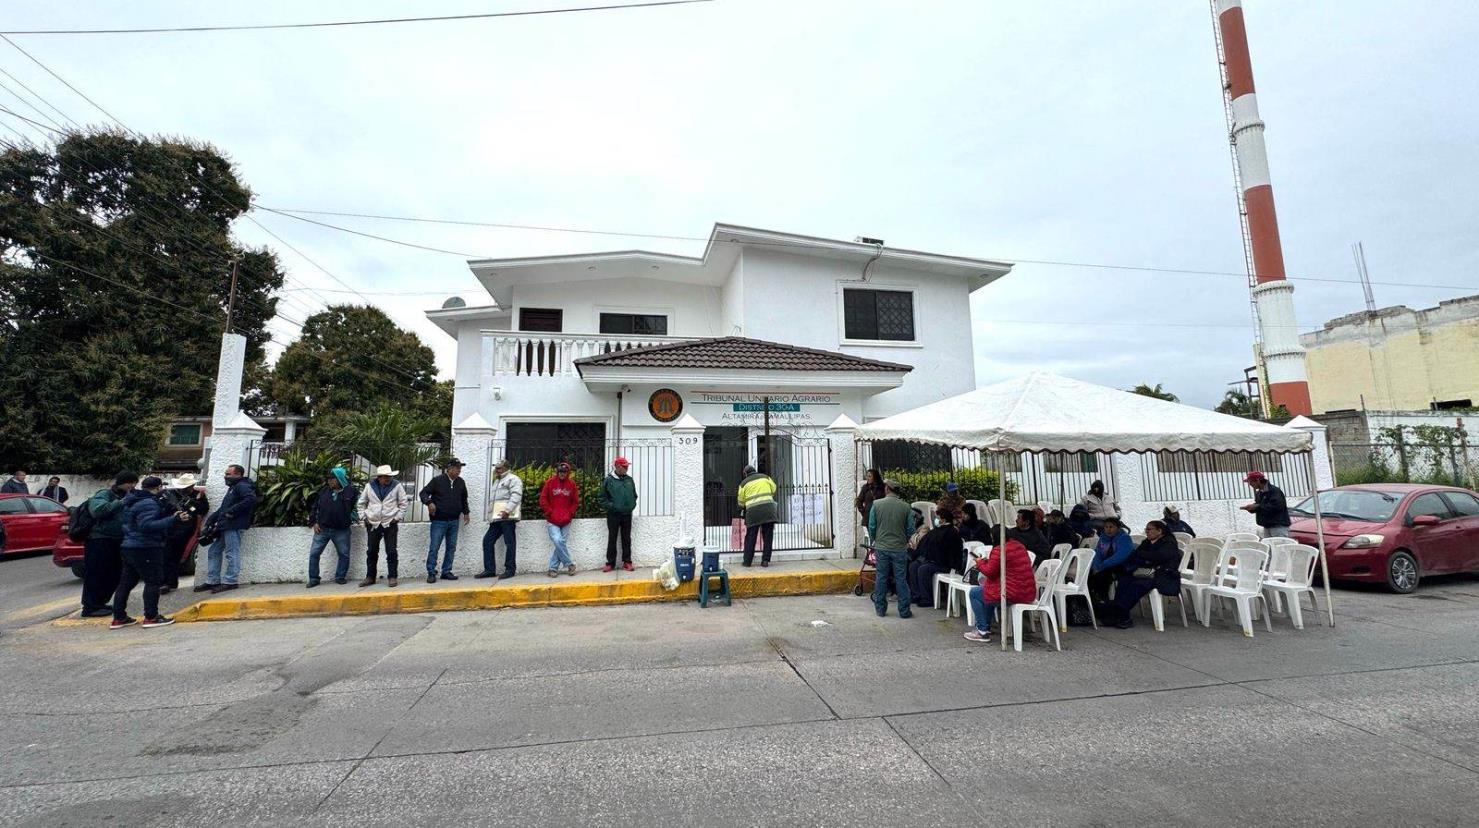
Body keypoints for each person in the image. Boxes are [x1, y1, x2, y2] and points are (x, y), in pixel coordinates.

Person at [112, 476, 189, 629]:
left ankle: (119, 618)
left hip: (129, 545)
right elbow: (147, 526)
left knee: (126, 583)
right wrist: (174, 520)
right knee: (153, 581)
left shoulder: (132, 500)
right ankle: (151, 617)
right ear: (158, 487)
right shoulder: (148, 503)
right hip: (146, 547)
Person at [1103, 520, 1183, 629]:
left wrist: (1144, 557)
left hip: (1163, 575)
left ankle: (1121, 613)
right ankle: (1121, 614)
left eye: (1149, 529)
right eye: (1146, 529)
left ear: (1159, 531)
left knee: (1137, 585)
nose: (1147, 532)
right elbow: (1137, 555)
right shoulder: (1147, 542)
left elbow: (1159, 556)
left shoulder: (1169, 542)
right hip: (1145, 572)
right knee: (1124, 580)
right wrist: (1145, 558)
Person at [79, 472, 137, 617]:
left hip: (117, 540)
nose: (133, 486)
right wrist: (122, 502)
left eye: (134, 483)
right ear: (122, 482)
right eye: (130, 483)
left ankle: (100, 602)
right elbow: (98, 511)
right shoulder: (105, 494)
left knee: (115, 573)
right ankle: (90, 607)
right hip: (99, 540)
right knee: (97, 573)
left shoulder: (126, 496)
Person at [963, 538, 1037, 643]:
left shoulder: (1000, 549)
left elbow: (990, 572)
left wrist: (979, 562)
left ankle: (982, 631)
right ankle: (986, 627)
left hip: (1011, 593)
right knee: (987, 591)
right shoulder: (1019, 546)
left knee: (975, 593)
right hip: (1027, 592)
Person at [199, 464, 256, 595]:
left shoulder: (242, 486)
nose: (225, 476)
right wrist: (211, 520)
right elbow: (224, 508)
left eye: (228, 474)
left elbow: (251, 499)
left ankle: (231, 581)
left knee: (232, 553)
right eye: (225, 474)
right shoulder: (233, 488)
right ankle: (213, 580)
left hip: (234, 525)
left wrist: (232, 512)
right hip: (226, 525)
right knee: (214, 551)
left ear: (238, 475)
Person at [867, 479, 915, 618]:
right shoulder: (906, 507)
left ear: (887, 488)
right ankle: (904, 611)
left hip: (882, 547)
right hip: (899, 548)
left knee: (881, 577)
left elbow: (872, 526)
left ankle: (880, 609)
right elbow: (911, 528)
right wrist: (904, 540)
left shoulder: (877, 504)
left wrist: (875, 539)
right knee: (901, 579)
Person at [419, 459, 469, 583]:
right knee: (434, 547)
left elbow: (464, 499)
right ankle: (431, 572)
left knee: (451, 547)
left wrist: (466, 512)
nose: (459, 471)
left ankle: (446, 571)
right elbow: (423, 493)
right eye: (457, 468)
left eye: (459, 468)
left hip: (454, 520)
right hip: (439, 521)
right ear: (449, 468)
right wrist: (429, 502)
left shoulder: (461, 482)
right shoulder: (437, 481)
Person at [307, 467, 358, 588]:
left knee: (344, 554)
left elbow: (357, 506)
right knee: (314, 553)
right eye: (329, 479)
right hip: (322, 529)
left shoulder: (351, 491)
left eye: (332, 479)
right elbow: (315, 507)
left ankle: (340, 577)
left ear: (340, 479)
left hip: (342, 530)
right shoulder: (324, 491)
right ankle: (314, 578)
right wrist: (314, 522)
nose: (329, 481)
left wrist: (352, 517)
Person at [359, 465, 407, 588]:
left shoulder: (396, 485)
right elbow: (361, 503)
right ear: (379, 477)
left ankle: (392, 577)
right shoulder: (369, 486)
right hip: (373, 523)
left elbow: (403, 503)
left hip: (390, 523)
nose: (388, 479)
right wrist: (364, 517)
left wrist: (396, 518)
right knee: (371, 551)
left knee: (391, 551)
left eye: (389, 476)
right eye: (385, 477)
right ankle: (370, 577)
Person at [160, 474, 208, 594]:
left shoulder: (197, 495)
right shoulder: (170, 495)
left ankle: (171, 582)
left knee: (176, 556)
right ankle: (166, 582)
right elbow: (163, 510)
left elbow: (203, 509)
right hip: (170, 527)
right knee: (166, 556)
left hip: (185, 530)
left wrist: (194, 503)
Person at [909, 506, 964, 608]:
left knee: (923, 569)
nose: (936, 520)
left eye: (937, 517)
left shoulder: (952, 532)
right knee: (913, 566)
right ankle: (916, 595)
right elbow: (924, 545)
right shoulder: (936, 531)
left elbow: (949, 552)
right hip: (930, 560)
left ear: (943, 519)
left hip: (944, 563)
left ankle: (927, 598)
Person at [479, 460, 523, 579]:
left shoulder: (513, 479)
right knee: (487, 541)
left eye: (499, 468)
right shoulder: (497, 480)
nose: (496, 470)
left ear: (505, 468)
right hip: (497, 518)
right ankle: (489, 570)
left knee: (509, 543)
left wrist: (507, 510)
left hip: (507, 517)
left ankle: (510, 569)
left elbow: (516, 495)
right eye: (496, 468)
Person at [539, 462, 579, 578]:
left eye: (564, 472)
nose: (562, 474)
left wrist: (570, 513)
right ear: (557, 472)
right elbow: (543, 498)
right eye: (560, 472)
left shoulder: (572, 485)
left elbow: (575, 501)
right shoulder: (550, 483)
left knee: (560, 543)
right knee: (557, 540)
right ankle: (570, 564)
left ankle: (553, 569)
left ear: (568, 473)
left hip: (566, 520)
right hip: (552, 520)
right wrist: (549, 512)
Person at [599, 457, 638, 572]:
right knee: (612, 538)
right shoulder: (608, 480)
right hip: (613, 515)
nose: (626, 468)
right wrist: (612, 507)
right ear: (617, 466)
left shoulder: (629, 480)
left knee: (627, 538)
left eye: (627, 466)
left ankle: (627, 562)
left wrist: (631, 506)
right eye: (624, 466)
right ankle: (610, 563)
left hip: (627, 514)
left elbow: (634, 495)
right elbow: (602, 498)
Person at [1088, 516, 1136, 604]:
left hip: (1124, 566)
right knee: (1089, 574)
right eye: (1106, 527)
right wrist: (1096, 566)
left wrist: (1103, 565)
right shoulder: (1103, 538)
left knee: (1102, 576)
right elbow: (1098, 553)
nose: (1108, 529)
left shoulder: (1124, 538)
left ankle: (1104, 601)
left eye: (1111, 527)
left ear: (1118, 528)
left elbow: (1121, 556)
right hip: (1106, 565)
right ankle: (1091, 600)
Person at [738, 464, 779, 567]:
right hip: (769, 511)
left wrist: (745, 505)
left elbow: (741, 502)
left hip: (753, 513)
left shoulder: (743, 484)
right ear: (755, 471)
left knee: (751, 537)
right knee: (768, 536)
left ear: (745, 474)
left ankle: (747, 562)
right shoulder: (766, 477)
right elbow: (774, 489)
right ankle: (765, 560)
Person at [1241, 471, 1290, 538]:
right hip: (1267, 526)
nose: (1250, 484)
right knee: (1269, 547)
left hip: (1278, 527)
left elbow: (1277, 506)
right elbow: (1261, 506)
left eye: (1251, 482)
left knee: (1279, 547)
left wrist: (1257, 506)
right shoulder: (1259, 493)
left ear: (1258, 480)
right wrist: (1251, 508)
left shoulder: (1274, 491)